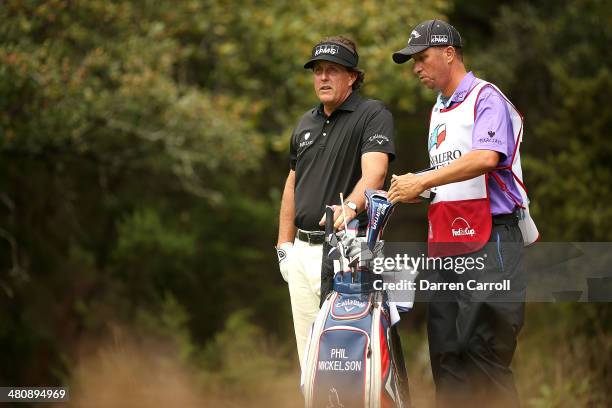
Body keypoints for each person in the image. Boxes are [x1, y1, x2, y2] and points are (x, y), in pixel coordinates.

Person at [389, 19, 535, 407]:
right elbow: (451, 176)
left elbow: (486, 157)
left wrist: (422, 181)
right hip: (446, 245)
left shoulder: (486, 98)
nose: (416, 68)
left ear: (449, 53)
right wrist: (416, 188)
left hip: (493, 241)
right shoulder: (438, 110)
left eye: (421, 58)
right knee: (447, 354)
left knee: (483, 350)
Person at [275, 36, 396, 367]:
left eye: (332, 70)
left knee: (348, 355)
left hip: (349, 250)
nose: (323, 78)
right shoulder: (305, 123)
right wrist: (284, 244)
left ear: (352, 76)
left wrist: (351, 206)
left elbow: (376, 173)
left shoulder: (373, 114)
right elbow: (292, 184)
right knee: (309, 358)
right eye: (317, 71)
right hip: (301, 252)